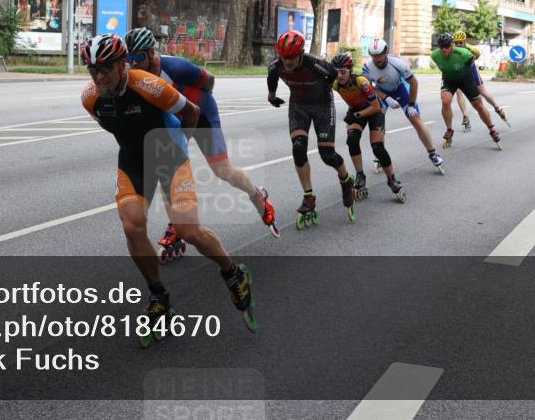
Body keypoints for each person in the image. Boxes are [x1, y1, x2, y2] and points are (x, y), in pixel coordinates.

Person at [80, 34, 256, 343]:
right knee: (132, 225)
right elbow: (112, 125)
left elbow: (192, 112)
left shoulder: (150, 86)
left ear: (122, 64)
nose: (99, 76)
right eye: (92, 69)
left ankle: (233, 272)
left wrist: (178, 147)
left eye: (105, 68)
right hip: (133, 159)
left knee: (189, 231)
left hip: (169, 154)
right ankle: (159, 295)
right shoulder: (90, 97)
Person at [124, 27, 278, 250]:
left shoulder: (175, 67)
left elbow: (209, 81)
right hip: (175, 119)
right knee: (168, 169)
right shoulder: (133, 73)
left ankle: (257, 195)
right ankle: (177, 223)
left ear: (151, 53)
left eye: (138, 57)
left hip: (202, 114)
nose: (133, 63)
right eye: (129, 58)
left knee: (223, 171)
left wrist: (197, 104)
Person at [266, 30, 357, 225]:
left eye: (291, 57)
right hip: (299, 106)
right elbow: (272, 79)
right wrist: (272, 97)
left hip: (323, 106)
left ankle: (345, 180)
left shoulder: (317, 64)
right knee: (298, 148)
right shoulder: (276, 66)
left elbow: (339, 82)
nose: (287, 62)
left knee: (327, 155)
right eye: (283, 57)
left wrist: (353, 106)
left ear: (301, 53)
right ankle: (308, 196)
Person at [362, 38, 445, 174]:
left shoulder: (398, 63)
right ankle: (380, 154)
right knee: (378, 122)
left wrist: (411, 104)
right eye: (374, 56)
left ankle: (433, 153)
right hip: (382, 92)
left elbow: (414, 83)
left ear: (385, 53)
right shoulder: (367, 68)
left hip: (401, 89)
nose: (377, 59)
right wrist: (386, 97)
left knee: (415, 119)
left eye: (380, 55)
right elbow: (368, 88)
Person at [331, 53, 406, 203]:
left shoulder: (361, 82)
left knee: (377, 147)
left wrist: (356, 115)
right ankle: (360, 174)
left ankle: (392, 179)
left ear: (350, 71)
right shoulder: (335, 84)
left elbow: (376, 107)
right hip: (356, 110)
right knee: (352, 140)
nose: (340, 76)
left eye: (343, 72)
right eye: (337, 72)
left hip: (374, 110)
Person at [432, 33, 502, 149]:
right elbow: (440, 65)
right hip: (449, 80)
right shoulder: (435, 55)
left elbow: (473, 60)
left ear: (451, 46)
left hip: (466, 79)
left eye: (447, 46)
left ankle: (492, 129)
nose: (444, 49)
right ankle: (449, 129)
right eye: (441, 47)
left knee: (478, 105)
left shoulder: (463, 53)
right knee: (445, 101)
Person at [451, 30, 508, 129]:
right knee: (459, 91)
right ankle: (465, 116)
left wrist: (471, 62)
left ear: (464, 41)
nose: (458, 44)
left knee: (482, 92)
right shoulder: (452, 50)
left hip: (471, 71)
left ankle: (497, 108)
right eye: (456, 43)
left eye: (460, 42)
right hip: (460, 72)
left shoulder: (472, 49)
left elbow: (477, 55)